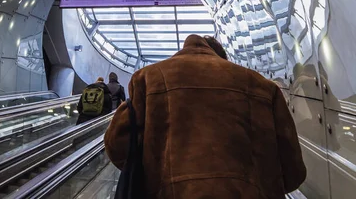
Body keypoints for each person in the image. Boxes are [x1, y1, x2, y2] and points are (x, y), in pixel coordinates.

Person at [105, 35, 306, 198]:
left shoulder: (148, 79)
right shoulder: (262, 86)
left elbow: (116, 143)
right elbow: (292, 170)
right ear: (221, 57)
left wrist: (155, 173)